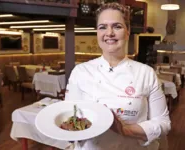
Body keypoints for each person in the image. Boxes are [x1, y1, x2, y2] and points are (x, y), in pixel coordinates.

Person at [65, 2, 171, 150]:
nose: (109, 33)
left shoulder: (146, 73)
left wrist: (124, 129)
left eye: (117, 26)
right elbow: (70, 116)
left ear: (127, 32)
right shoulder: (80, 71)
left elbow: (163, 123)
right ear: (97, 33)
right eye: (103, 27)